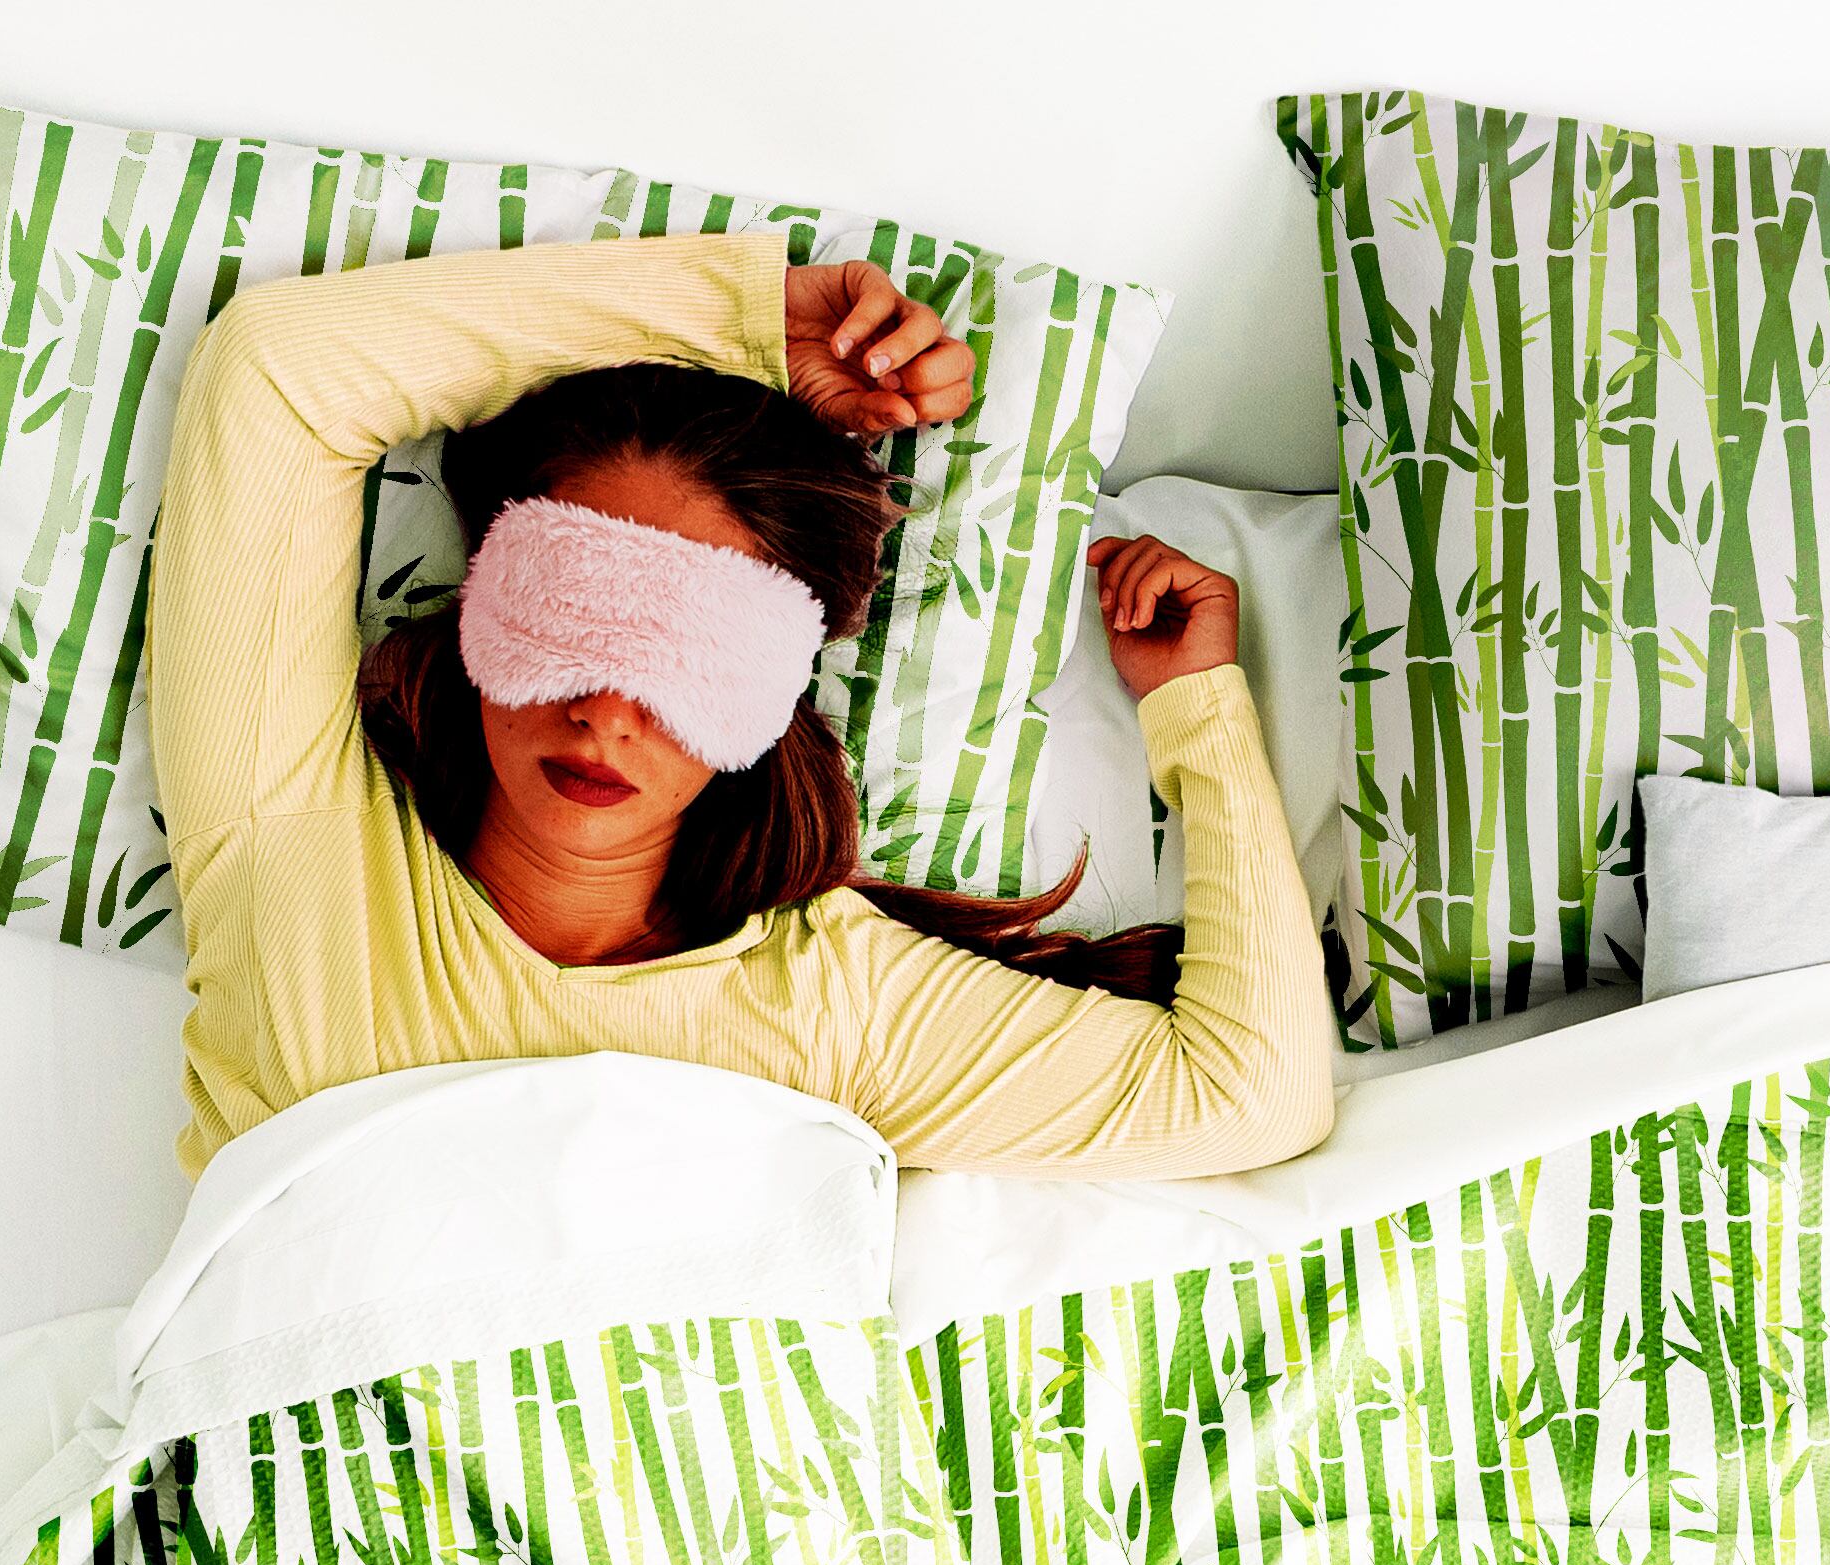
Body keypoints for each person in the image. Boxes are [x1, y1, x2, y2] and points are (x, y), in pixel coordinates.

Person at [146, 230, 1333, 1182]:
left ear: (773, 690)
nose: (609, 710)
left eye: (686, 648)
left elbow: (1248, 1095)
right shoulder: (287, 837)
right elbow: (278, 369)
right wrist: (750, 317)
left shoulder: (830, 1007)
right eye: (573, 605)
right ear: (482, 595)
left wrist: (1198, 711)